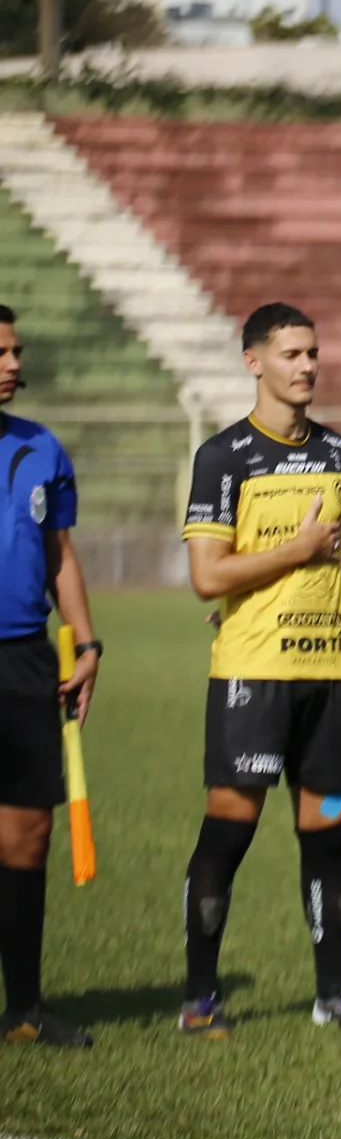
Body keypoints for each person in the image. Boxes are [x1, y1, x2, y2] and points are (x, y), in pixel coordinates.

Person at [179, 303, 341, 1033]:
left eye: (313, 353)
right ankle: (200, 1001)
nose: (307, 366)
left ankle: (334, 996)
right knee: (230, 830)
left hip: (332, 678)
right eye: (291, 354)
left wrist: (310, 572)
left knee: (330, 834)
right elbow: (208, 576)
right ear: (254, 362)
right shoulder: (223, 458)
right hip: (252, 676)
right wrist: (294, 554)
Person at [0, 306, 100, 1047]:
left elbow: (60, 554)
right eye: (0, 352)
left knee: (26, 835)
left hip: (28, 657)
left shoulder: (42, 447)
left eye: (15, 351)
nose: (12, 363)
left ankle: (25, 1007)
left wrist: (88, 644)